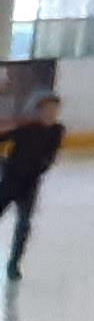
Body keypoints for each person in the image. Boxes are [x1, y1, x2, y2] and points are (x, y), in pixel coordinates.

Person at [0, 91, 54, 282]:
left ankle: (13, 264)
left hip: (29, 186)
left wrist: (37, 170)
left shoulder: (57, 131)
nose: (51, 113)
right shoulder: (26, 129)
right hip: (10, 182)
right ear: (38, 111)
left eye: (54, 109)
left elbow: (48, 159)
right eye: (47, 109)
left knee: (23, 225)